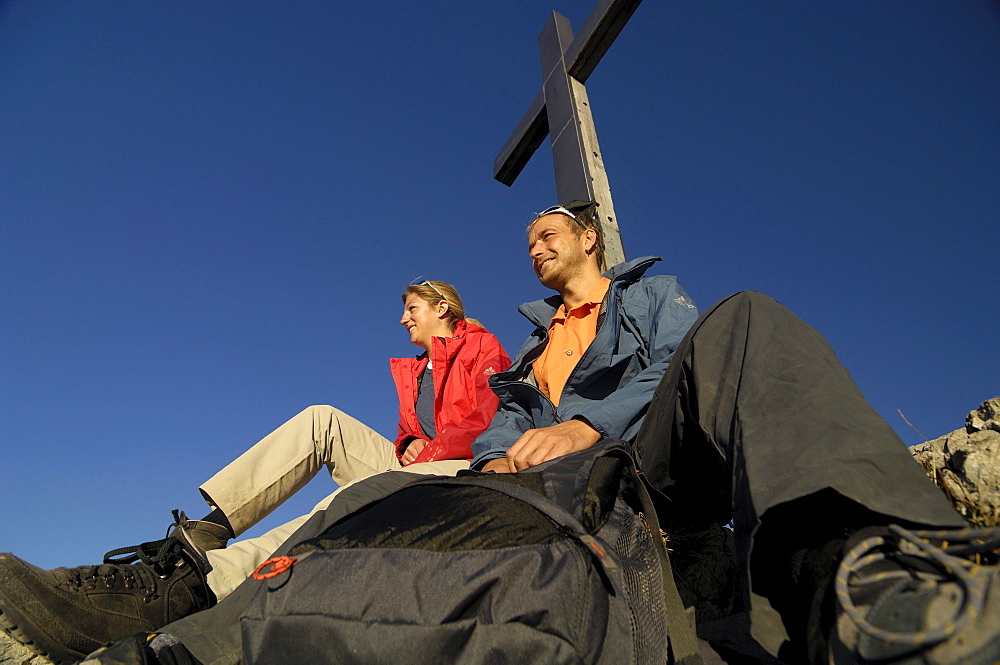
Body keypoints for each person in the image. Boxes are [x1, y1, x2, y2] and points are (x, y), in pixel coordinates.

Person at [0, 280, 510, 664]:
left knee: (341, 506)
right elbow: (406, 433)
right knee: (321, 418)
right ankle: (205, 536)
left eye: (412, 309)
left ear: (441, 307)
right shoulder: (414, 369)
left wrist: (428, 448)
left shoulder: (480, 346)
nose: (403, 319)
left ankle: (194, 586)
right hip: (416, 462)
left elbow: (485, 418)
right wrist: (410, 442)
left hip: (464, 470)